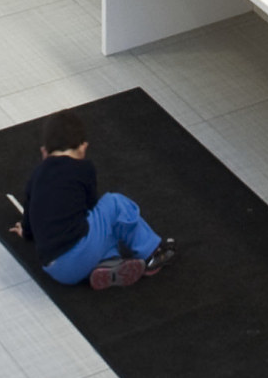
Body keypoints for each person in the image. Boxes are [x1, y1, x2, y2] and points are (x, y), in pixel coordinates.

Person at [13, 124, 169, 290]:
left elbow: (29, 216)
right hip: (79, 254)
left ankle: (109, 263)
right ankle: (153, 252)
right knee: (115, 204)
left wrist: (25, 230)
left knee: (95, 229)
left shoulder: (36, 176)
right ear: (83, 147)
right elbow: (91, 206)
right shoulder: (83, 169)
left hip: (54, 269)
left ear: (44, 152)